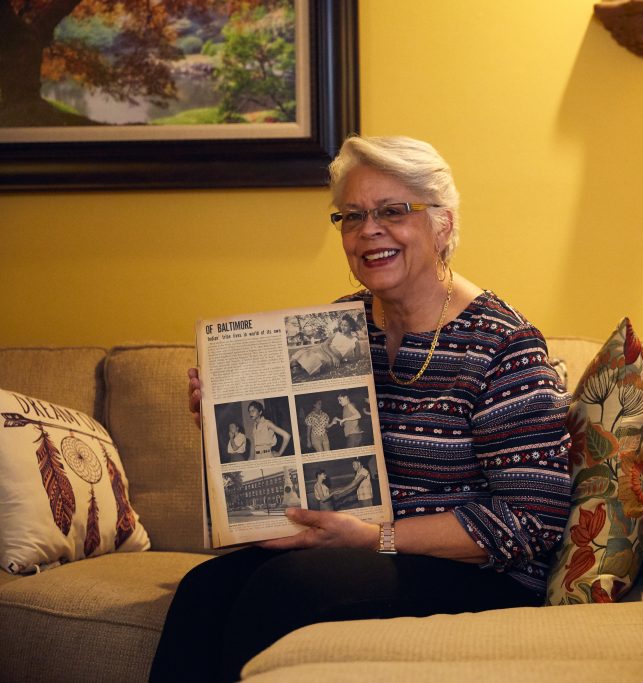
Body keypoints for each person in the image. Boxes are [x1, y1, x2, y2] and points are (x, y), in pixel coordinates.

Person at [154, 135, 572, 683]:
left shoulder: (502, 345)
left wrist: (376, 539)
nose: (369, 230)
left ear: (442, 224)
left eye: (393, 211)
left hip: (479, 575)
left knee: (287, 589)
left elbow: (530, 520)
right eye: (352, 217)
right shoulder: (334, 329)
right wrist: (224, 422)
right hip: (355, 552)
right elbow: (302, 461)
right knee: (203, 588)